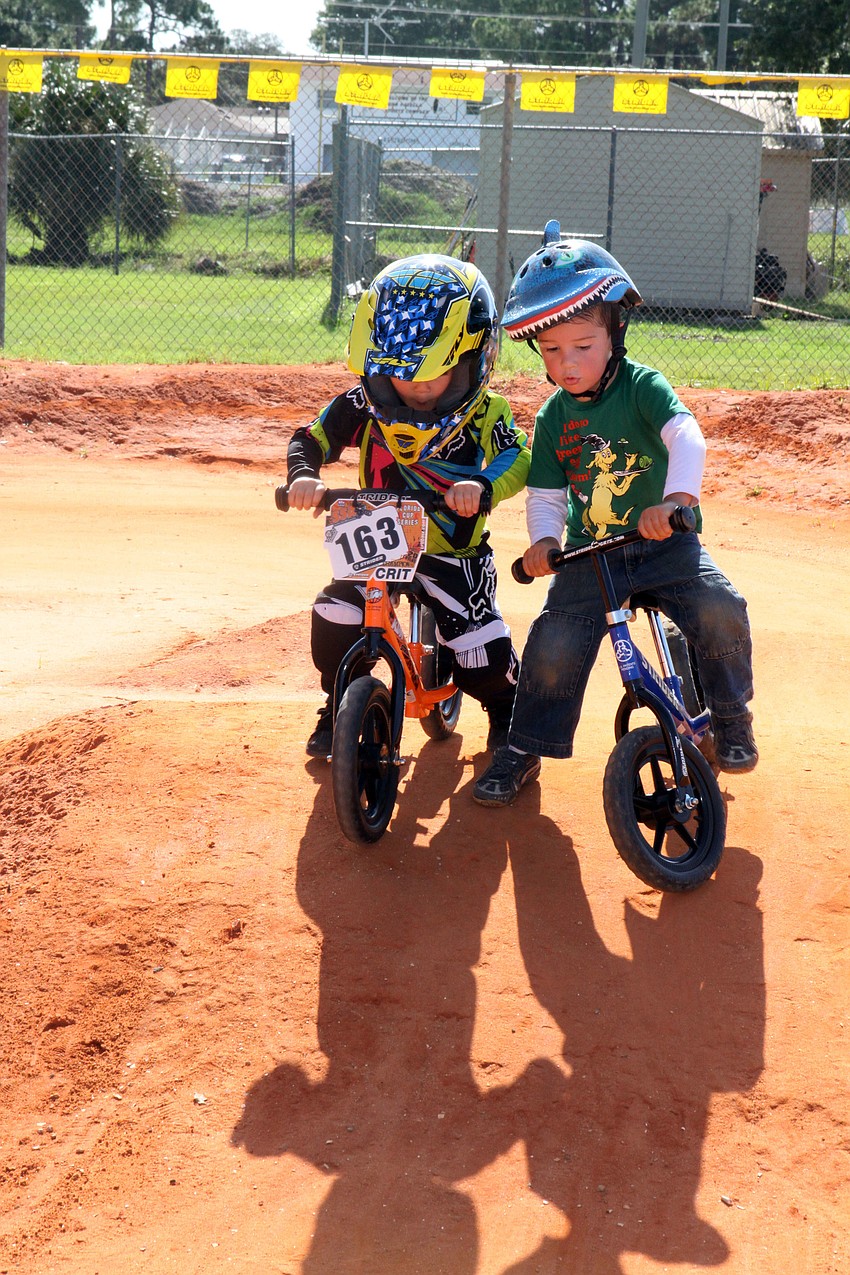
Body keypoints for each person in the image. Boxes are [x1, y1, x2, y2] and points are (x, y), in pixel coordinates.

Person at [473, 222, 757, 807]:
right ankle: (523, 748)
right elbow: (548, 494)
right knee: (552, 644)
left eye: (582, 346)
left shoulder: (642, 387)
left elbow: (688, 437)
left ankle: (730, 715)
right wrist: (544, 542)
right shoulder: (553, 418)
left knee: (719, 606)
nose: (567, 363)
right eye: (551, 351)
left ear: (615, 332)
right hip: (591, 554)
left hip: (664, 545)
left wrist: (676, 502)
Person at [286, 253, 531, 758]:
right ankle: (338, 703)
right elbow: (309, 440)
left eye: (435, 373)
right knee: (333, 619)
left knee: (479, 659)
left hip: (452, 552)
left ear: (471, 361)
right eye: (401, 374)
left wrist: (483, 486)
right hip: (376, 546)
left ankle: (508, 715)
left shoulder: (487, 411)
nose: (417, 387)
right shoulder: (362, 404)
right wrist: (304, 476)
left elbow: (517, 454)